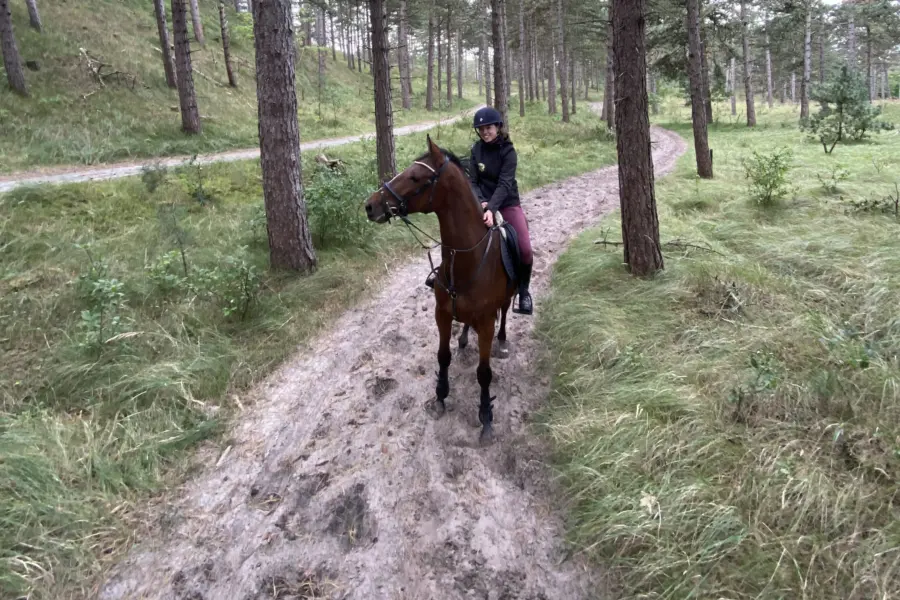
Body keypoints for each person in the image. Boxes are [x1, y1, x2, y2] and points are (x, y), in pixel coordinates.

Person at [426, 106, 534, 315]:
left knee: (526, 249)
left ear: (498, 127)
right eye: (481, 128)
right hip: (481, 203)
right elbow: (473, 181)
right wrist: (482, 203)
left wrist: (492, 208)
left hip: (507, 203)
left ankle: (523, 291)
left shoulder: (508, 151)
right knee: (457, 235)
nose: (485, 132)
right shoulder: (476, 150)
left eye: (489, 127)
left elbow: (505, 183)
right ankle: (446, 279)